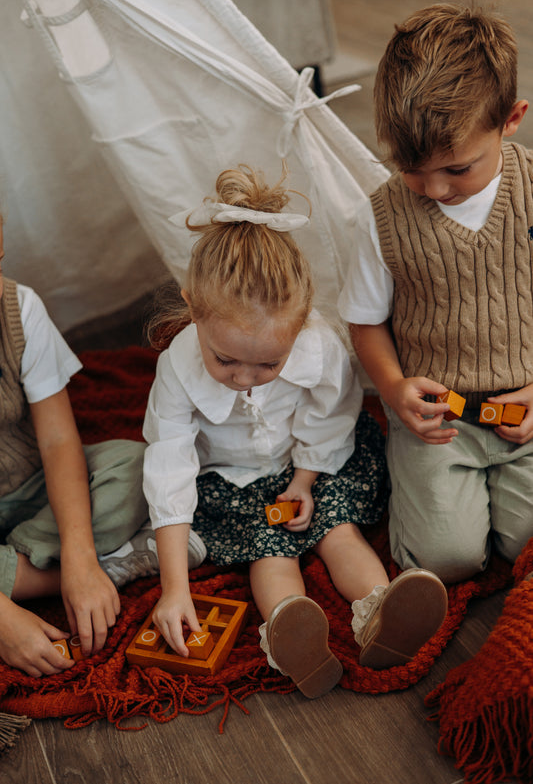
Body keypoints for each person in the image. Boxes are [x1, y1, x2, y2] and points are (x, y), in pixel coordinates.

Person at [142, 164, 448, 698]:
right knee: (270, 549)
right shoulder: (176, 367)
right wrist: (175, 588)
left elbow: (331, 413)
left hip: (309, 461)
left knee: (338, 530)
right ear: (192, 307)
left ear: (303, 320)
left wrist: (305, 478)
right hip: (233, 481)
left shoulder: (319, 343)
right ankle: (290, 627)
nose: (244, 378)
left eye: (268, 366)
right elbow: (168, 465)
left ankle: (381, 609)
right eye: (226, 360)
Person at [338, 1, 533, 584]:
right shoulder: (380, 218)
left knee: (527, 542)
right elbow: (366, 321)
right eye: (412, 169)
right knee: (446, 559)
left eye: (457, 169)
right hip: (437, 419)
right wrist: (394, 389)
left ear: (512, 119)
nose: (434, 188)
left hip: (526, 406)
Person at [0, 216, 205, 678]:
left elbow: (56, 442)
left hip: (30, 484)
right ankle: (75, 570)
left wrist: (79, 556)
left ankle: (41, 567)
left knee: (136, 467)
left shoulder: (18, 307)